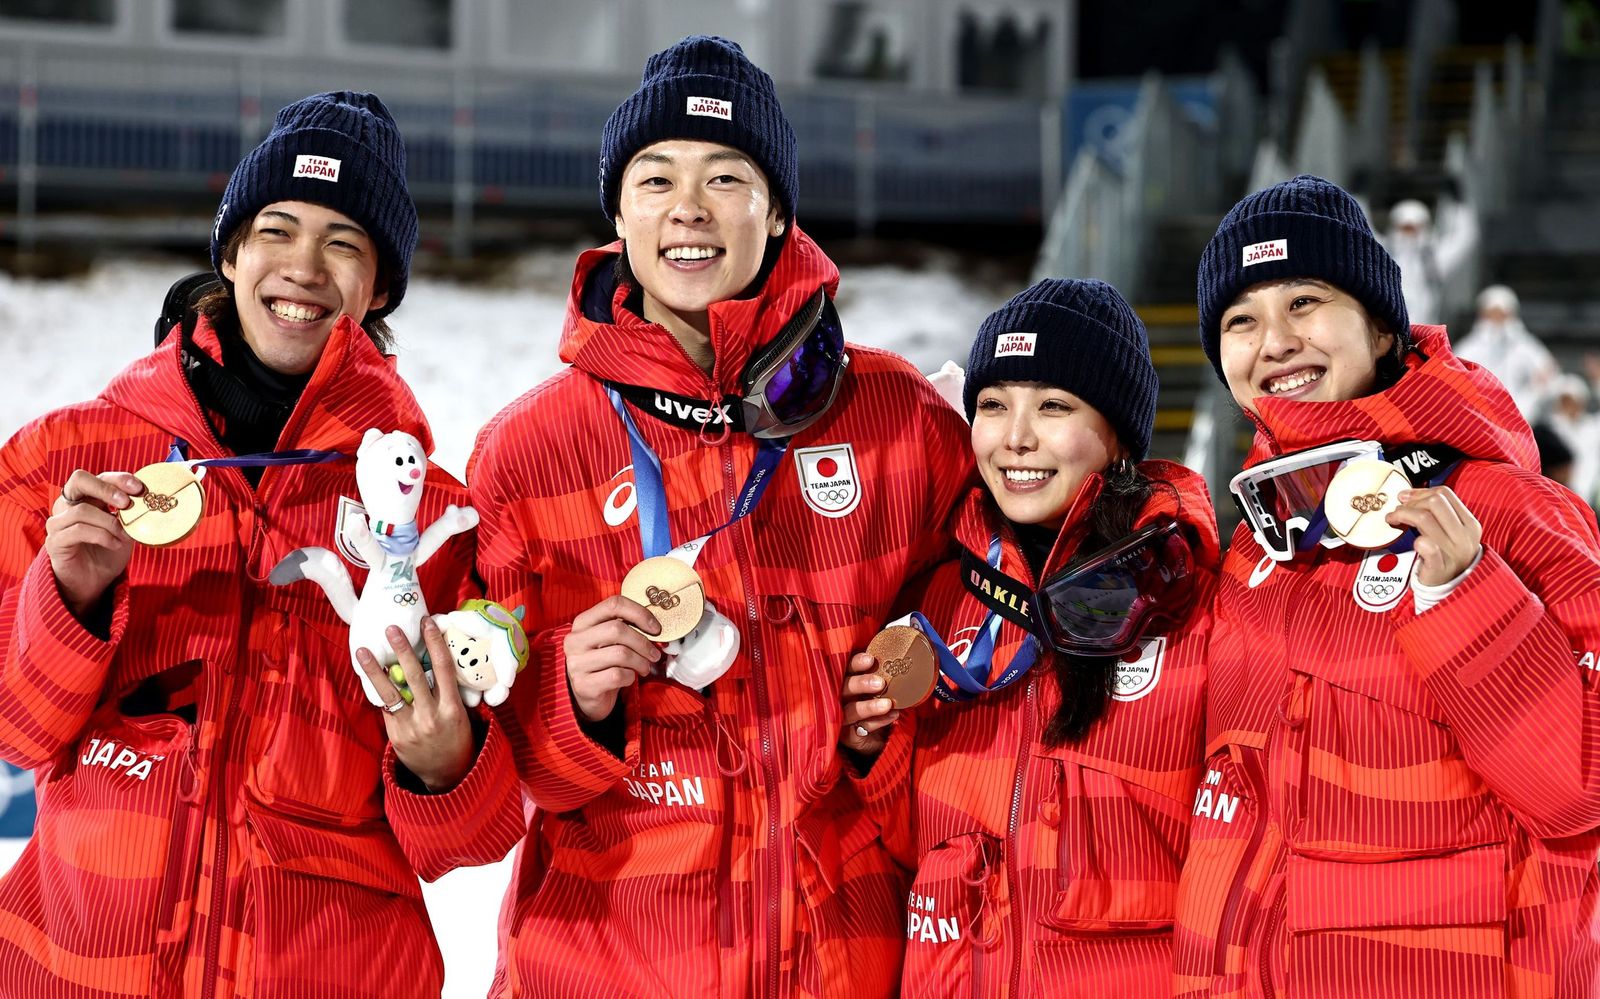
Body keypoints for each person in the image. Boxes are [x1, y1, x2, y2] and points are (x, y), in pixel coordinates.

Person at [468, 36, 971, 997]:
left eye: (726, 176)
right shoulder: (528, 451)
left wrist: (885, 728)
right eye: (654, 178)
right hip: (601, 962)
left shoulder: (900, 423)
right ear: (618, 210)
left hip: (840, 962)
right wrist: (571, 697)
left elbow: (986, 679)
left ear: (779, 209)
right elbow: (485, 783)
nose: (688, 207)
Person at [0, 92, 524, 997]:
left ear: (381, 286)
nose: (303, 268)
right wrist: (71, 599)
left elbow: (467, 843)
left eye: (344, 244)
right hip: (73, 968)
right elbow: (18, 729)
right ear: (232, 250)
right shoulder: (69, 459)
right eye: (276, 229)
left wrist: (445, 763)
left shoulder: (435, 525)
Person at [1175, 174, 1600, 998]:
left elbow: (1580, 797)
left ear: (1377, 324)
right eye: (1241, 319)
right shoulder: (1257, 551)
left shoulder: (1513, 511)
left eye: (1305, 301)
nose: (1274, 340)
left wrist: (1471, 601)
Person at [841, 279, 1218, 996]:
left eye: (1052, 405)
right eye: (992, 404)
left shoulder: (1194, 612)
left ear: (1117, 435)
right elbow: (909, 848)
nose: (1015, 436)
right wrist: (874, 750)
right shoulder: (941, 599)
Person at [1452, 284, 1559, 420]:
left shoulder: (1525, 346)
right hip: (1476, 421)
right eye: (1491, 314)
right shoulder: (1468, 348)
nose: (1496, 320)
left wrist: (1525, 405)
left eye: (1501, 315)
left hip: (1518, 421)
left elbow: (1548, 375)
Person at [1381, 196, 1474, 326]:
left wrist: (1458, 206)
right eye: (1405, 228)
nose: (1409, 234)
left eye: (1414, 228)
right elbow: (1362, 232)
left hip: (1424, 329)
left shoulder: (1433, 257)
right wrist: (1357, 198)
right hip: (1387, 327)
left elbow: (1463, 239)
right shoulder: (1383, 253)